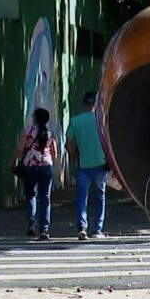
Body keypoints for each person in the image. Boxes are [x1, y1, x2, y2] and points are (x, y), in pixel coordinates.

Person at [66, 92, 108, 240]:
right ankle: (97, 229)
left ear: (83, 104)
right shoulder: (102, 120)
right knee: (99, 197)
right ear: (96, 104)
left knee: (81, 197)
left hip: (82, 164)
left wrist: (74, 157)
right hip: (101, 164)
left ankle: (82, 228)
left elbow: (69, 144)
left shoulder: (75, 121)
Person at [13, 108, 57, 240]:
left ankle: (31, 225)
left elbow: (20, 149)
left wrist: (12, 161)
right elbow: (54, 153)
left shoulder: (27, 131)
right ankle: (44, 229)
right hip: (46, 167)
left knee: (31, 195)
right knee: (46, 198)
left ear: (35, 118)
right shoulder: (49, 133)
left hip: (30, 167)